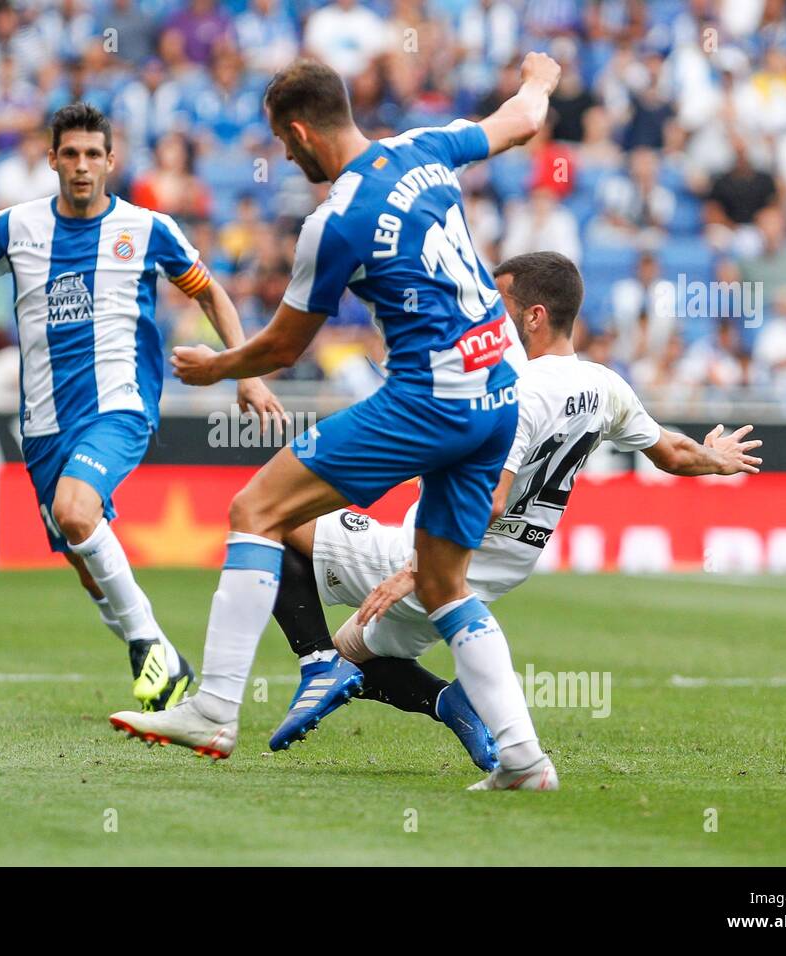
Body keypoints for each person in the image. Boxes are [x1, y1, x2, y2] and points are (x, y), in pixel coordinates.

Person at [107, 54, 562, 779]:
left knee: (255, 509)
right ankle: (524, 757)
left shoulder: (336, 221)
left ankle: (215, 709)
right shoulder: (426, 146)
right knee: (445, 585)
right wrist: (538, 77)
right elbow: (521, 120)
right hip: (498, 397)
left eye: (284, 145)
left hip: (429, 401)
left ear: (299, 131)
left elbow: (286, 345)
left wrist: (216, 366)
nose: (285, 157)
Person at [263, 252, 764, 789]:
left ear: (534, 316)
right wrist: (715, 458)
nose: (488, 317)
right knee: (356, 656)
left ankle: (316, 664)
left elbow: (490, 498)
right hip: (498, 573)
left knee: (266, 518)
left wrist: (416, 572)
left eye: (499, 306)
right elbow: (673, 454)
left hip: (430, 558)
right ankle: (449, 701)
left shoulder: (517, 390)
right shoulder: (604, 385)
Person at [0, 103, 283, 711]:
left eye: (92, 155)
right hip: (43, 424)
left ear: (111, 161)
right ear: (51, 159)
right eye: (70, 154)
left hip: (119, 405)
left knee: (76, 510)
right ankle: (157, 660)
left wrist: (244, 371)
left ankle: (152, 649)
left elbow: (213, 295)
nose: (81, 166)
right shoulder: (13, 227)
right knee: (83, 553)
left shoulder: (147, 229)